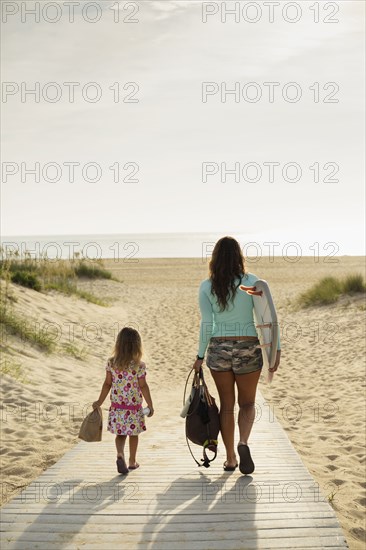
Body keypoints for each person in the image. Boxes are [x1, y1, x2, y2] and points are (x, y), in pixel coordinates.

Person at [193, 236, 281, 475]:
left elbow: (207, 324)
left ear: (215, 259)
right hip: (248, 348)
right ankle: (243, 443)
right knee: (248, 403)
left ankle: (231, 458)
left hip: (219, 350)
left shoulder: (206, 286)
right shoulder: (252, 282)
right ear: (239, 256)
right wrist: (276, 349)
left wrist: (200, 355)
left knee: (227, 406)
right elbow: (269, 319)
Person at [93, 327, 154, 474]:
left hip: (117, 407)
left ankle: (120, 454)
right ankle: (132, 461)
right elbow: (143, 385)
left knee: (120, 435)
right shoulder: (139, 365)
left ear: (118, 344)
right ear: (137, 345)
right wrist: (150, 404)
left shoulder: (112, 363)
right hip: (133, 408)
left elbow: (107, 384)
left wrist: (99, 402)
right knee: (134, 434)